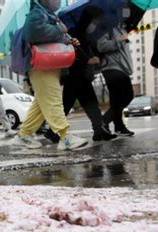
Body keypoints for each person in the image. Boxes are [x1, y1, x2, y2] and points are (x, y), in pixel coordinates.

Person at [13, 0, 88, 150]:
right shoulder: (36, 13)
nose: (57, 1)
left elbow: (52, 35)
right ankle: (65, 136)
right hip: (41, 65)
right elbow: (34, 32)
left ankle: (24, 135)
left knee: (41, 103)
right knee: (53, 99)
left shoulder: (47, 14)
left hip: (46, 65)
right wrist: (61, 30)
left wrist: (67, 39)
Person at [46, 6, 117, 142]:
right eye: (96, 22)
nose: (96, 25)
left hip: (79, 74)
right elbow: (69, 53)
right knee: (87, 101)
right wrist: (88, 60)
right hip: (74, 74)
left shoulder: (85, 34)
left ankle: (54, 131)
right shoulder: (73, 33)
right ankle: (98, 130)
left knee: (73, 103)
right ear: (89, 20)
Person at [97, 14, 135, 137]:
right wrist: (118, 40)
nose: (125, 14)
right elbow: (101, 46)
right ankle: (103, 121)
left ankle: (118, 127)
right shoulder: (107, 28)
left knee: (118, 100)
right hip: (112, 67)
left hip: (122, 67)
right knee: (126, 96)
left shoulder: (121, 29)